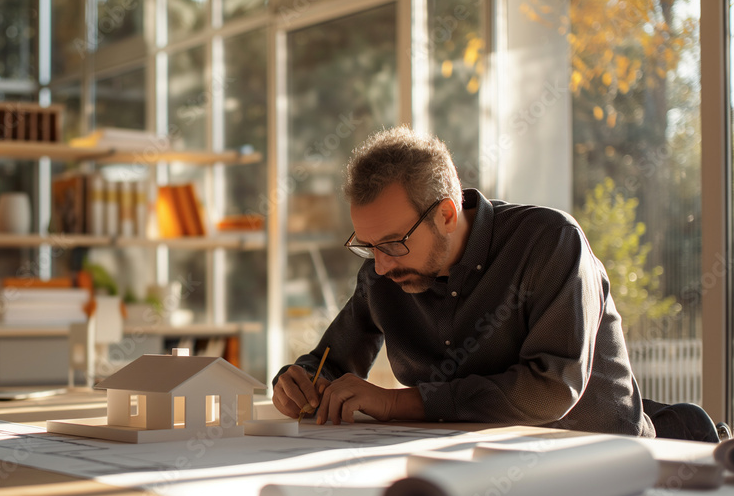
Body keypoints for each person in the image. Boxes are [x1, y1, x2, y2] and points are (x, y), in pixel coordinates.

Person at [272, 126, 655, 437]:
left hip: (604, 461)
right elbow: (331, 362)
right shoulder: (383, 272)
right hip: (470, 466)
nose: (382, 266)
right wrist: (301, 382)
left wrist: (395, 404)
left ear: (447, 215)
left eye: (392, 243)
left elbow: (552, 388)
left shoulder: (548, 241)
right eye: (368, 246)